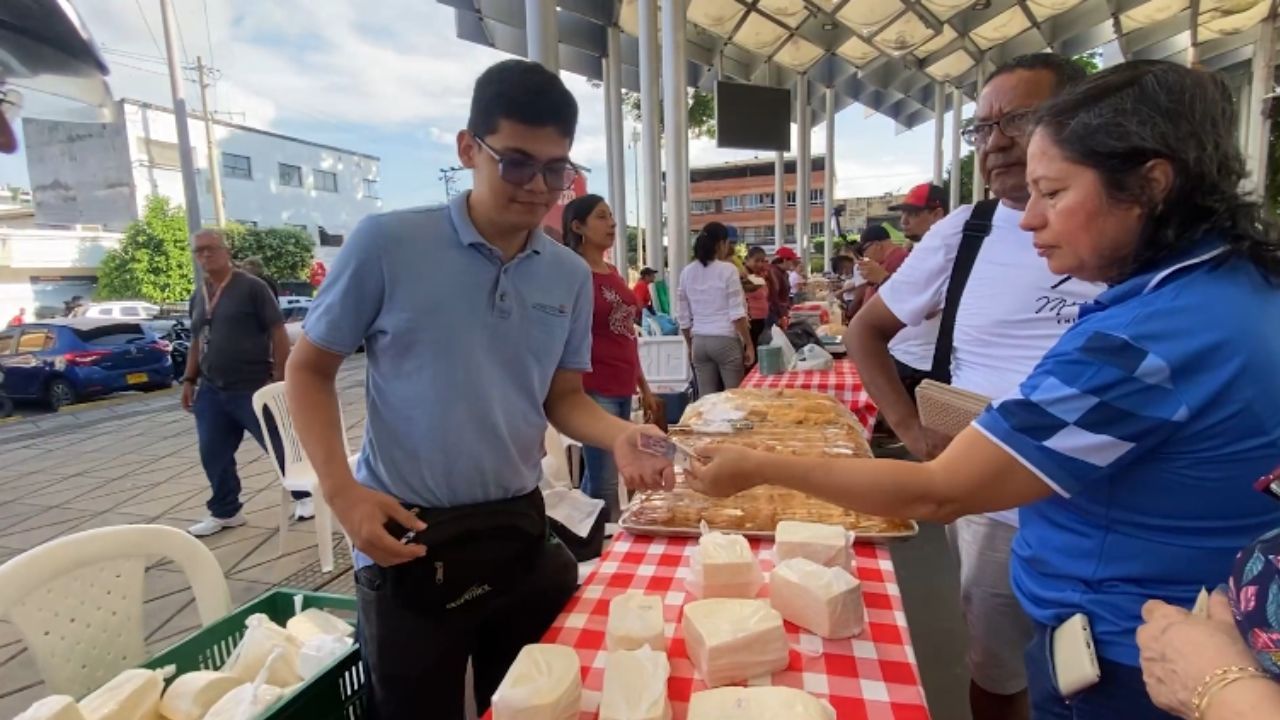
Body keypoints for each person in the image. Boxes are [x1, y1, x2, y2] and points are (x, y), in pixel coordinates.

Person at [689, 60, 1280, 719]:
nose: (1030, 221)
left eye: (1054, 193)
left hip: (1131, 653)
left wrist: (757, 467)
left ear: (1150, 185)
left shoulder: (1150, 341)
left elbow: (938, 492)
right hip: (1198, 624)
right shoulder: (1241, 288)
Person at [285, 60, 673, 720]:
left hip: (515, 523)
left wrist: (620, 433)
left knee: (531, 706)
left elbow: (562, 397)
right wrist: (341, 490)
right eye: (517, 163)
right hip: (407, 531)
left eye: (556, 169)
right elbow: (308, 370)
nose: (539, 187)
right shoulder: (389, 243)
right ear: (469, 149)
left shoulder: (567, 276)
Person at [844, 53, 1099, 720]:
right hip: (990, 506)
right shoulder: (970, 229)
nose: (997, 142)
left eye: (1019, 120)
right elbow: (865, 331)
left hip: (1108, 507)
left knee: (1107, 678)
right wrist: (912, 432)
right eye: (982, 128)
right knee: (997, 669)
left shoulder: (1129, 241)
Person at [182, 229, 298, 536]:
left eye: (211, 248)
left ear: (226, 250)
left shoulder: (252, 287)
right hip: (212, 389)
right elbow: (197, 340)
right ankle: (226, 511)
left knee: (278, 444)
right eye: (199, 251)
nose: (205, 255)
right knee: (213, 453)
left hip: (252, 384)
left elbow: (278, 331)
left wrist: (280, 378)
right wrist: (189, 379)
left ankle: (305, 495)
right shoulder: (199, 295)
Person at [561, 193, 662, 520]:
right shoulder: (571, 273)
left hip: (622, 381)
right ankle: (609, 540)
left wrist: (644, 386)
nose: (613, 224)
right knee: (606, 479)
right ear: (578, 226)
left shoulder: (612, 271)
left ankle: (588, 530)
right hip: (594, 384)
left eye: (612, 216)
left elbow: (626, 334)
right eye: (602, 217)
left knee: (601, 474)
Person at [678, 222, 753, 396]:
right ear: (721, 244)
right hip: (725, 340)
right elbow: (737, 314)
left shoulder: (687, 272)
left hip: (699, 342)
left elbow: (683, 317)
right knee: (734, 397)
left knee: (706, 400)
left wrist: (690, 346)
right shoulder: (728, 270)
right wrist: (749, 344)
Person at [743, 246, 771, 361]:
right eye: (756, 260)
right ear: (747, 259)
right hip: (750, 321)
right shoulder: (743, 276)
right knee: (752, 354)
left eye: (762, 261)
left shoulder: (760, 275)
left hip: (761, 320)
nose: (760, 264)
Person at [767, 247, 796, 325]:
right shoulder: (773, 272)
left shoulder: (784, 273)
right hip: (775, 314)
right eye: (792, 261)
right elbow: (773, 295)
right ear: (785, 260)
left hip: (780, 311)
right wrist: (781, 315)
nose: (793, 263)